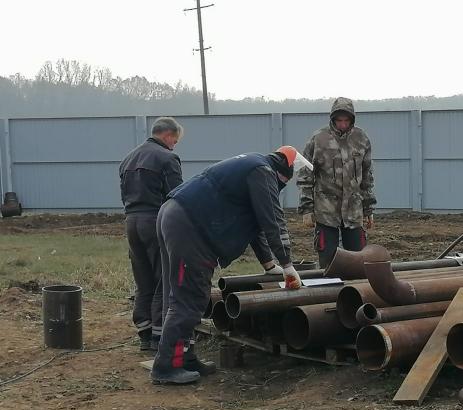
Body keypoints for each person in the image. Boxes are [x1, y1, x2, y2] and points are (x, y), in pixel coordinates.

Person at [151, 146, 311, 385]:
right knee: (189, 297)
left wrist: (269, 266)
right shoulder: (263, 172)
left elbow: (254, 225)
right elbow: (272, 223)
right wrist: (288, 265)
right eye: (291, 176)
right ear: (284, 170)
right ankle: (166, 367)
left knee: (185, 294)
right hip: (191, 227)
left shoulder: (253, 166)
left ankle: (185, 357)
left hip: (177, 215)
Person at [119, 117, 183, 352]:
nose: (174, 146)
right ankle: (159, 336)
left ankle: (144, 332)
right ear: (167, 135)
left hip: (131, 222)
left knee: (143, 278)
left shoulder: (127, 158)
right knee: (162, 279)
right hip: (155, 221)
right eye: (174, 141)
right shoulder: (167, 158)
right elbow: (177, 196)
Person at [297, 97, 376, 268]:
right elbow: (305, 175)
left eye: (346, 120)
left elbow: (367, 176)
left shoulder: (361, 139)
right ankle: (330, 293)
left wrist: (368, 209)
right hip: (326, 212)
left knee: (359, 262)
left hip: (353, 213)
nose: (342, 124)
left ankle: (355, 293)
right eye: (339, 120)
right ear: (333, 119)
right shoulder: (318, 139)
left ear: (352, 120)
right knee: (328, 263)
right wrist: (307, 209)